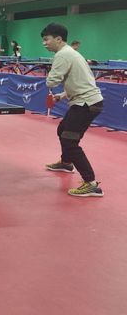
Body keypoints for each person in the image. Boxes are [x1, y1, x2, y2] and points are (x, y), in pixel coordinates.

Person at [41, 23, 104, 198]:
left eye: (46, 39)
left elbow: (51, 81)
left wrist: (50, 76)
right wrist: (62, 95)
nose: (44, 43)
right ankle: (66, 163)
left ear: (58, 39)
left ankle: (91, 184)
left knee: (70, 141)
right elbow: (82, 80)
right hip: (85, 101)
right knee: (62, 129)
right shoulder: (72, 53)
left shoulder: (62, 55)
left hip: (86, 104)